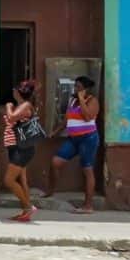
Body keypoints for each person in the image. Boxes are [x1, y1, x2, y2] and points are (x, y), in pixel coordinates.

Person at [44, 76, 100, 214]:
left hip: (88, 138)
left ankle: (88, 206)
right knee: (56, 162)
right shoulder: (72, 100)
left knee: (87, 170)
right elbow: (66, 120)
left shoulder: (92, 100)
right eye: (75, 86)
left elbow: (88, 117)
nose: (75, 89)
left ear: (85, 89)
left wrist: (81, 99)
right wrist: (55, 132)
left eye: (79, 87)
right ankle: (51, 191)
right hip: (73, 139)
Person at [2, 79, 39, 222]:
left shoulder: (25, 106)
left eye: (15, 89)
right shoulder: (21, 106)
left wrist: (8, 107)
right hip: (16, 148)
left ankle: (28, 207)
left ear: (18, 92)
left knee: (9, 180)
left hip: (22, 149)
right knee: (21, 179)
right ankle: (25, 211)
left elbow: (11, 118)